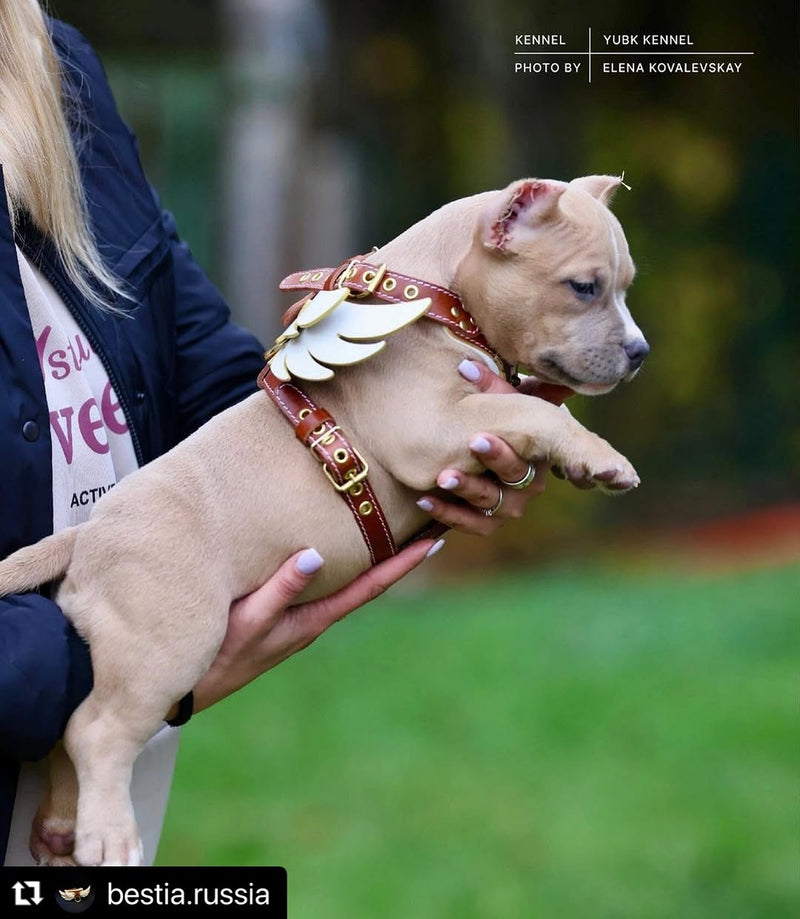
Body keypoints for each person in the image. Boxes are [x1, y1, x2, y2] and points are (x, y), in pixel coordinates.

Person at [0, 2, 549, 865]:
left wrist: (397, 436)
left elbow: (198, 359)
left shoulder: (46, 58)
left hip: (106, 751)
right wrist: (120, 658)